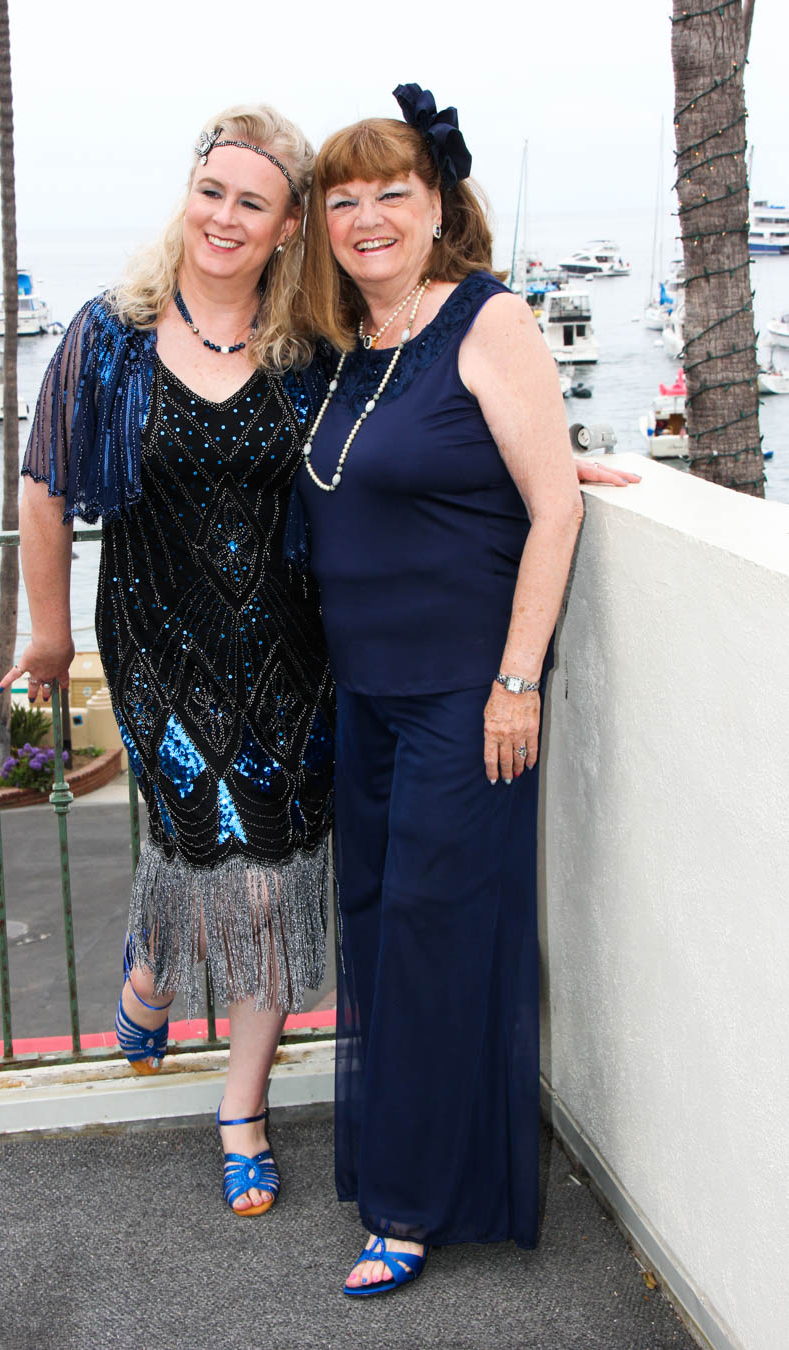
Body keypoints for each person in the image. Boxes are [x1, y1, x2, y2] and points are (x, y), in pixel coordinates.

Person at [294, 84, 639, 1294]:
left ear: (440, 204)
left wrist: (515, 681)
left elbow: (554, 509)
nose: (370, 216)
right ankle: (411, 1162)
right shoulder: (349, 350)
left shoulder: (487, 320)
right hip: (366, 699)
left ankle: (410, 1205)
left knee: (440, 942)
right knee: (385, 937)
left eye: (395, 191)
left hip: (462, 699)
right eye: (345, 199)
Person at [0, 105, 335, 1218]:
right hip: (155, 646)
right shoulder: (111, 331)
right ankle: (153, 967)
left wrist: (552, 463)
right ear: (187, 195)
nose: (224, 217)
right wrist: (45, 637)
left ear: (289, 226)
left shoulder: (311, 346)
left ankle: (240, 1107)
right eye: (212, 192)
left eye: (253, 201)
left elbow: (415, 429)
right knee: (212, 846)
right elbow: (44, 487)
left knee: (272, 871)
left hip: (294, 657)